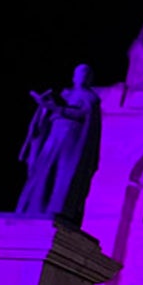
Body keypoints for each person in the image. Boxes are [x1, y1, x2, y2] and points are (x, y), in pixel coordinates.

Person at [16, 63, 103, 227]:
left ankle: (58, 208)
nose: (82, 76)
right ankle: (36, 206)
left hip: (72, 138)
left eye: (86, 74)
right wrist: (45, 107)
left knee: (64, 173)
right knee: (44, 170)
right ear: (74, 77)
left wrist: (57, 108)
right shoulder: (66, 94)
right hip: (54, 135)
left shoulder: (90, 98)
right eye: (79, 73)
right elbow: (47, 116)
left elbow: (83, 114)